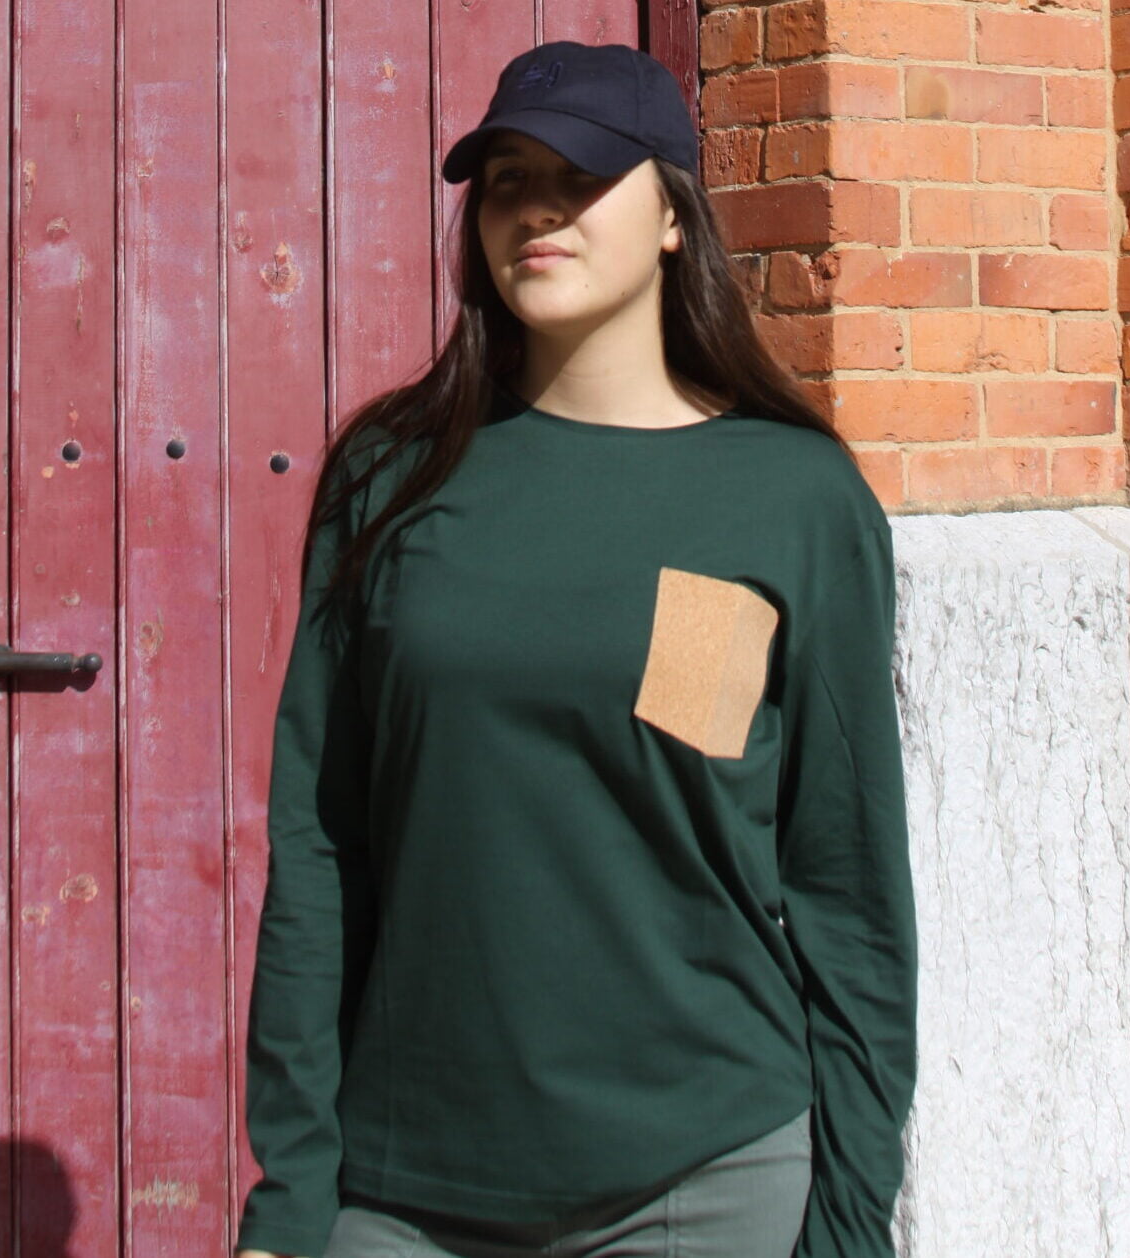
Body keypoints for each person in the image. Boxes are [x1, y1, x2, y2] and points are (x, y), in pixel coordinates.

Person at [234, 40, 917, 1258]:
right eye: (506, 179)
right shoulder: (391, 478)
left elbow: (845, 890)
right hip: (404, 1190)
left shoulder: (790, 502)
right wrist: (289, 1199)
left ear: (673, 217)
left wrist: (851, 1224)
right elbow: (320, 847)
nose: (537, 207)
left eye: (583, 175)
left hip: (703, 1180)